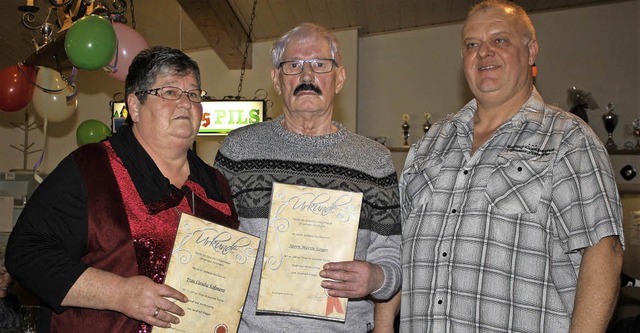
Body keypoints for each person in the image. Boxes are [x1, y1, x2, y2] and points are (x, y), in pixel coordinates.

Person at [399, 1, 624, 332]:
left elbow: (604, 252)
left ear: (531, 51)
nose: (483, 52)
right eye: (472, 44)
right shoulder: (430, 144)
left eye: (500, 40)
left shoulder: (569, 139)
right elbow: (400, 248)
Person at [5, 46, 239, 332]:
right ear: (135, 106)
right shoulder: (92, 167)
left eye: (193, 94)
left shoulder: (214, 184)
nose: (185, 103)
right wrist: (120, 294)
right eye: (169, 92)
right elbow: (26, 254)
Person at [215, 23, 402, 332]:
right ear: (276, 79)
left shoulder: (374, 160)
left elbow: (391, 255)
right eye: (293, 65)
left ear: (339, 78)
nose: (306, 77)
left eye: (319, 65)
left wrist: (374, 278)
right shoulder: (239, 149)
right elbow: (213, 240)